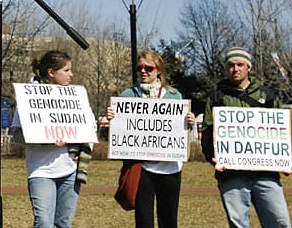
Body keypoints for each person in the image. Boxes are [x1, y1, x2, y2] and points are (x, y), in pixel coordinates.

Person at [201, 47, 292, 228]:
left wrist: (285, 159)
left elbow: (283, 131)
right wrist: (214, 158)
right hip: (231, 174)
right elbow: (207, 132)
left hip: (266, 173)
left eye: (240, 64)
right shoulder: (217, 98)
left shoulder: (268, 96)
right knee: (238, 224)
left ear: (248, 67)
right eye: (231, 65)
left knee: (280, 222)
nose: (235, 69)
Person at [106, 50, 195, 228]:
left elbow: (178, 128)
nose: (143, 71)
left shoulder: (174, 96)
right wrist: (112, 118)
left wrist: (189, 122)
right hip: (142, 168)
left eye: (148, 67)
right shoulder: (127, 96)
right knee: (143, 220)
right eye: (140, 68)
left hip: (170, 168)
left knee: (169, 220)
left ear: (158, 70)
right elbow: (121, 128)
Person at [11, 50, 92, 228]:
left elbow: (89, 127)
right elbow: (16, 134)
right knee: (44, 223)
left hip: (70, 170)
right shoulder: (29, 96)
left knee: (63, 223)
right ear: (51, 72)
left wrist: (84, 149)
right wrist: (43, 139)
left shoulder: (75, 98)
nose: (71, 74)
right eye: (66, 70)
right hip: (41, 171)